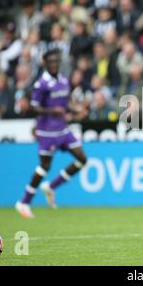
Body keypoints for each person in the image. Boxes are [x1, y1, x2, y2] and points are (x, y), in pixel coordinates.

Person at [15, 49, 87, 219]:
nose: (54, 65)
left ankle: (52, 186)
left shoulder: (63, 80)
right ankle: (24, 202)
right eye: (51, 62)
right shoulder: (41, 84)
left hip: (63, 129)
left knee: (82, 159)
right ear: (45, 64)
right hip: (47, 131)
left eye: (56, 62)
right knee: (44, 166)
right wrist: (51, 110)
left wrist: (76, 110)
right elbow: (33, 107)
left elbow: (64, 105)